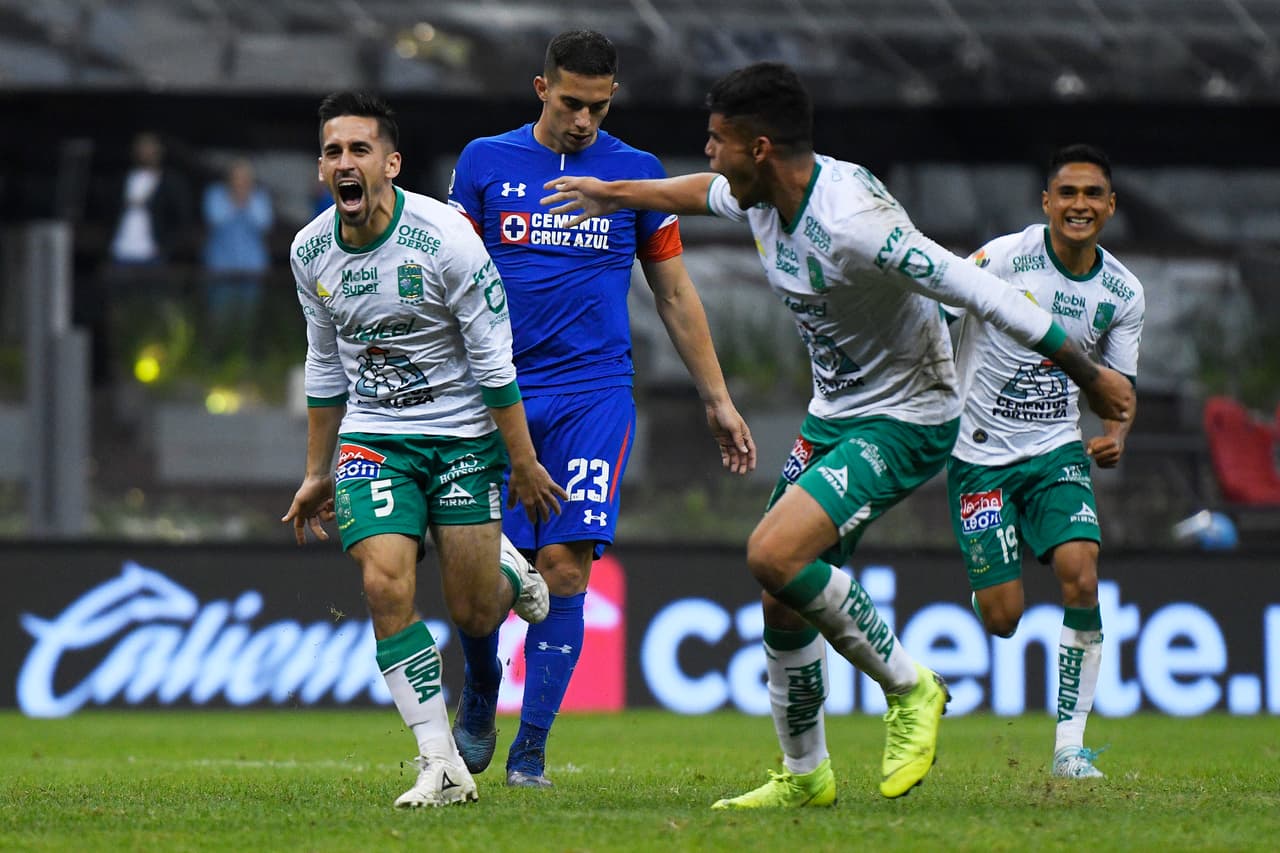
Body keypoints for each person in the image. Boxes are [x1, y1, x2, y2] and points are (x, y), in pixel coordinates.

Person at [541, 62, 1135, 807]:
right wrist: (613, 193)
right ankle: (805, 773)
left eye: (717, 140)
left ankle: (911, 686)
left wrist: (1089, 373)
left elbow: (979, 288)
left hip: (911, 413)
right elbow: (698, 192)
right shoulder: (760, 190)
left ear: (759, 147)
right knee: (778, 591)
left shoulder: (856, 222)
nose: (709, 154)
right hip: (837, 412)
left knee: (771, 550)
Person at [446, 30, 756, 789]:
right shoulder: (485, 162)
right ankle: (483, 685)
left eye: (599, 104)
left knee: (566, 570)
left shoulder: (636, 174)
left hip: (595, 393)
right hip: (500, 398)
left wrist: (717, 398)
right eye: (571, 101)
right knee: (481, 586)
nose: (584, 119)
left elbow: (675, 293)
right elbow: (447, 276)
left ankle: (531, 755)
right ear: (540, 88)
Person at [281, 91, 568, 809]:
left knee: (474, 613)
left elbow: (496, 363)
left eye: (360, 149)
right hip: (376, 440)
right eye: (333, 151)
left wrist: (524, 461)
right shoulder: (310, 250)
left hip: (465, 438)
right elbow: (323, 364)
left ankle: (501, 573)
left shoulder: (446, 239)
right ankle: (437, 760)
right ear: (322, 167)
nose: (345, 163)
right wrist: (317, 471)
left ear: (391, 162)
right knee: (384, 584)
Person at [945, 143, 1143, 779]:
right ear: (1046, 203)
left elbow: (1118, 387)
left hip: (1057, 450)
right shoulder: (1002, 258)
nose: (1078, 205)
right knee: (1003, 620)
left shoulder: (1124, 293)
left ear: (1110, 206)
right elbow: (934, 306)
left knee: (1082, 575)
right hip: (978, 455)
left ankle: (1069, 749)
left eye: (1091, 195)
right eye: (1067, 193)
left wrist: (1115, 432)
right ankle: (989, 579)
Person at [201, 157, 273, 353]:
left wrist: (246, 201)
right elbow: (216, 219)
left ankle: (243, 359)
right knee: (219, 319)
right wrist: (234, 201)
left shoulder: (259, 197)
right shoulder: (215, 195)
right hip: (221, 268)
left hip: (251, 269)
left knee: (247, 321)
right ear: (229, 179)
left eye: (245, 178)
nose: (241, 182)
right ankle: (217, 359)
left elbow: (263, 223)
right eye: (237, 177)